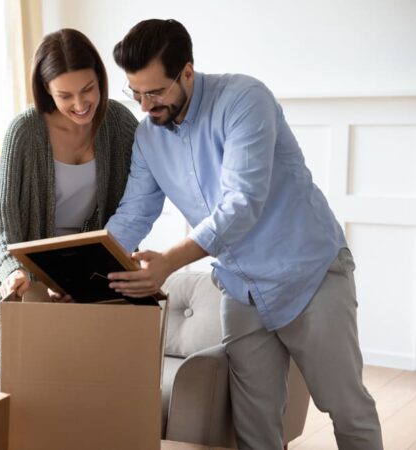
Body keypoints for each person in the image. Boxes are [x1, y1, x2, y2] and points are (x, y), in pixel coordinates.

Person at [105, 19, 383, 449]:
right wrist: (85, 261)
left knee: (346, 407)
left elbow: (242, 202)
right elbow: (134, 212)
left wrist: (169, 263)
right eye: (135, 92)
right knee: (254, 429)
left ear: (188, 72)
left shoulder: (244, 100)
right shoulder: (148, 138)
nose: (144, 105)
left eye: (155, 92)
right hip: (242, 289)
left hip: (308, 274)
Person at [0, 28, 137, 382]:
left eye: (88, 90)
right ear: (46, 90)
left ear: (101, 79)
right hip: (25, 277)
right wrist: (15, 275)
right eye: (65, 95)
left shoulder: (119, 124)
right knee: (28, 397)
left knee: (98, 393)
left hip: (91, 275)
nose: (80, 105)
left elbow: (136, 202)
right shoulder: (25, 130)